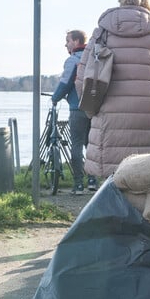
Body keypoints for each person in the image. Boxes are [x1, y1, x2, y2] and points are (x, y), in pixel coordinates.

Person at [76, 0, 150, 178]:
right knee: (144, 170)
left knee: (112, 172)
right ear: (146, 4)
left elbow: (82, 74)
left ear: (121, 1)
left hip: (109, 108)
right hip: (146, 108)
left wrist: (90, 105)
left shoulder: (102, 32)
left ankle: (113, 205)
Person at [51, 30, 96, 194]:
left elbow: (65, 83)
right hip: (94, 108)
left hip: (77, 109)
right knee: (91, 145)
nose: (66, 44)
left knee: (76, 145)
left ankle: (78, 183)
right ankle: (93, 181)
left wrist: (55, 98)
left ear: (76, 41)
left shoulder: (73, 60)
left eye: (68, 41)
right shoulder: (93, 57)